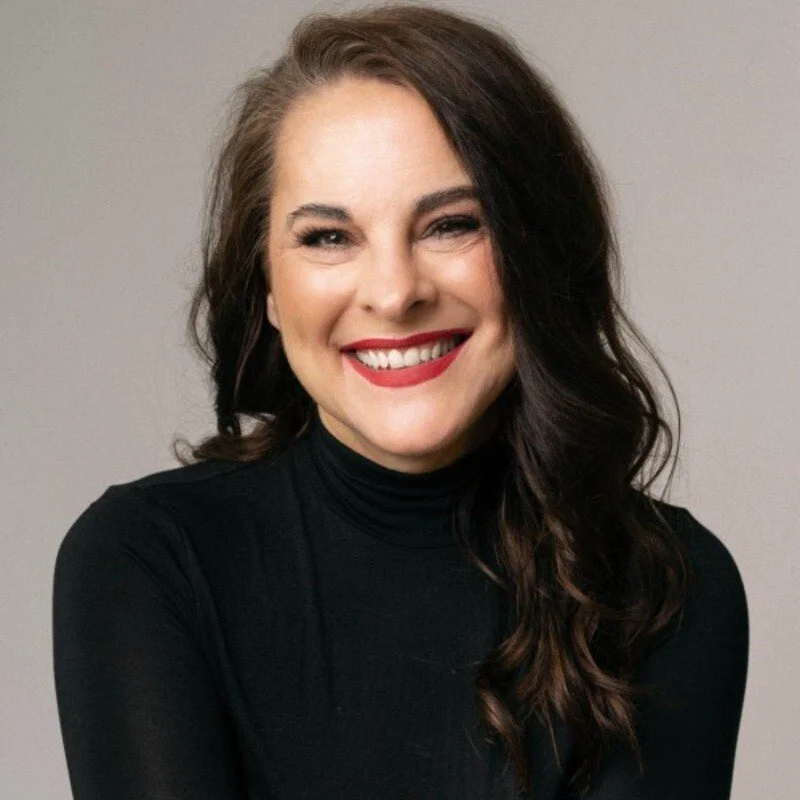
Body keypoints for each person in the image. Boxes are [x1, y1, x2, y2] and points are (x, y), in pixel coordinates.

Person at [52, 4, 748, 799]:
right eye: (327, 238)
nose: (394, 292)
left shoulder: (666, 584)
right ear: (269, 288)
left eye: (451, 225)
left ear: (534, 249)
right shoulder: (147, 560)